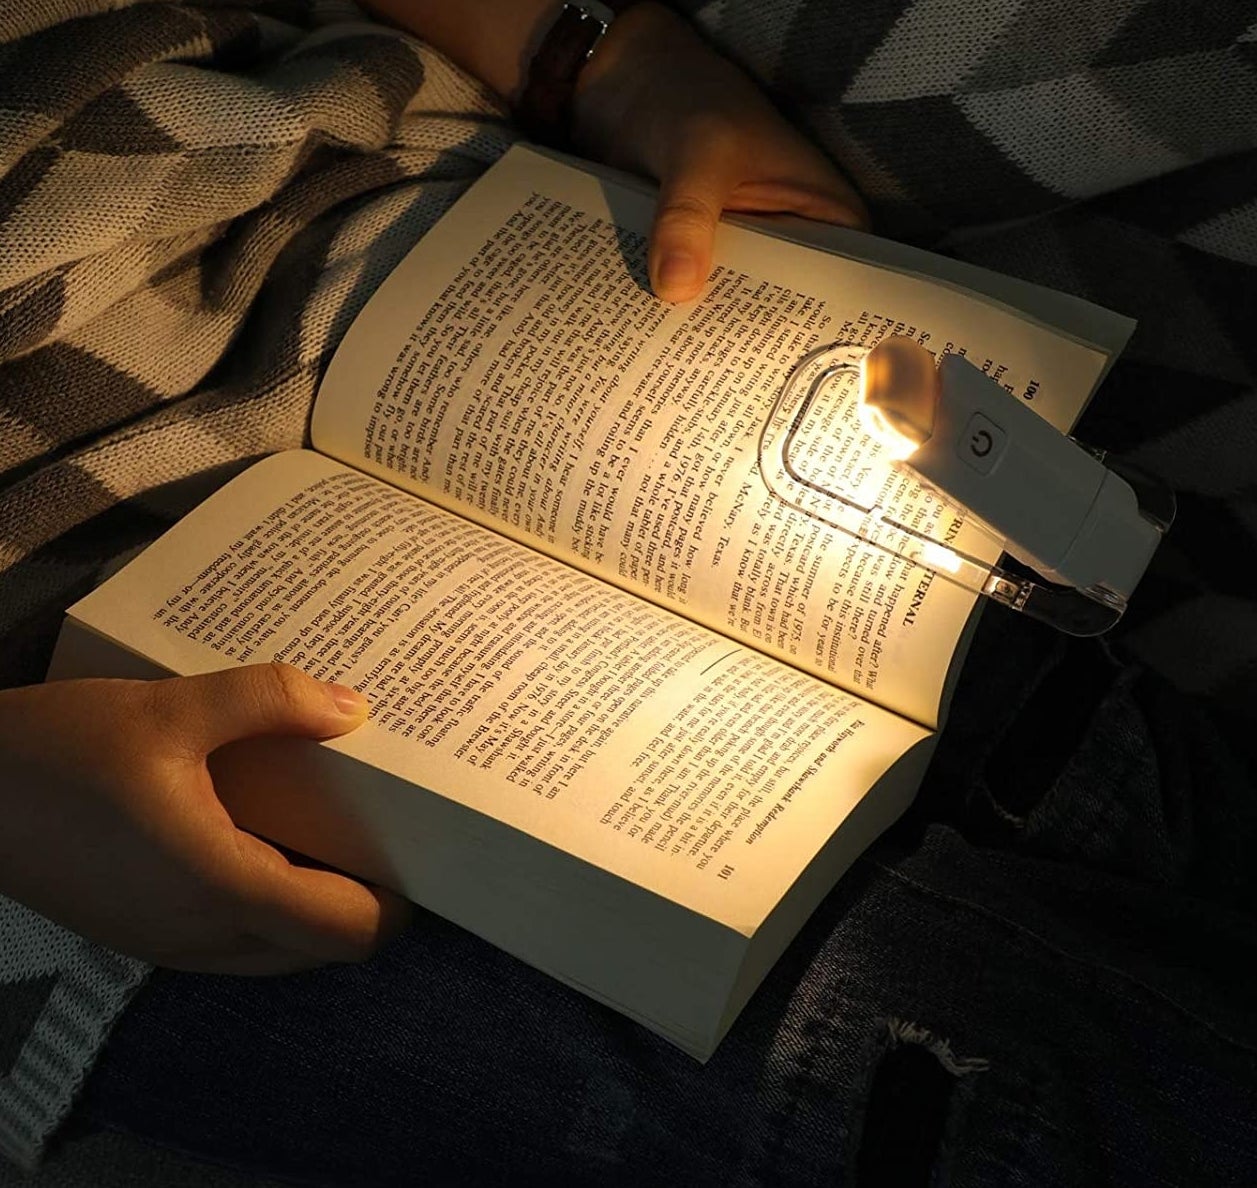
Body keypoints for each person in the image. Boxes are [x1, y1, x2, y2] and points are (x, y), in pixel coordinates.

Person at [2, 1, 1257, 1183]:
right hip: (109, 765)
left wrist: (602, 57)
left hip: (487, 272)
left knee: (1112, 772)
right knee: (1020, 1085)